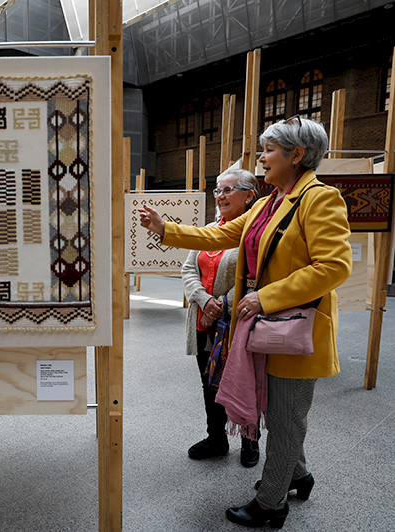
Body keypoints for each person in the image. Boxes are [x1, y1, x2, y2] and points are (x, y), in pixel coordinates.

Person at [139, 116, 351, 529]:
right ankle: (299, 475)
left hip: (294, 328)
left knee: (286, 418)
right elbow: (220, 235)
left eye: (269, 150)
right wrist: (167, 230)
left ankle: (272, 504)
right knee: (278, 410)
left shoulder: (319, 199)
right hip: (267, 327)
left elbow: (334, 267)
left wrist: (264, 296)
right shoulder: (270, 202)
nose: (262, 158)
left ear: (297, 154)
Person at [181, 169, 259, 467]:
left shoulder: (254, 233)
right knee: (209, 382)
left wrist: (223, 303)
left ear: (249, 195)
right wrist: (204, 300)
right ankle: (217, 438)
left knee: (242, 382)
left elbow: (257, 279)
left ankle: (249, 441)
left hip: (235, 323)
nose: (220, 196)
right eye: (217, 190)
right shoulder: (211, 228)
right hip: (204, 321)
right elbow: (188, 270)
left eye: (228, 190)